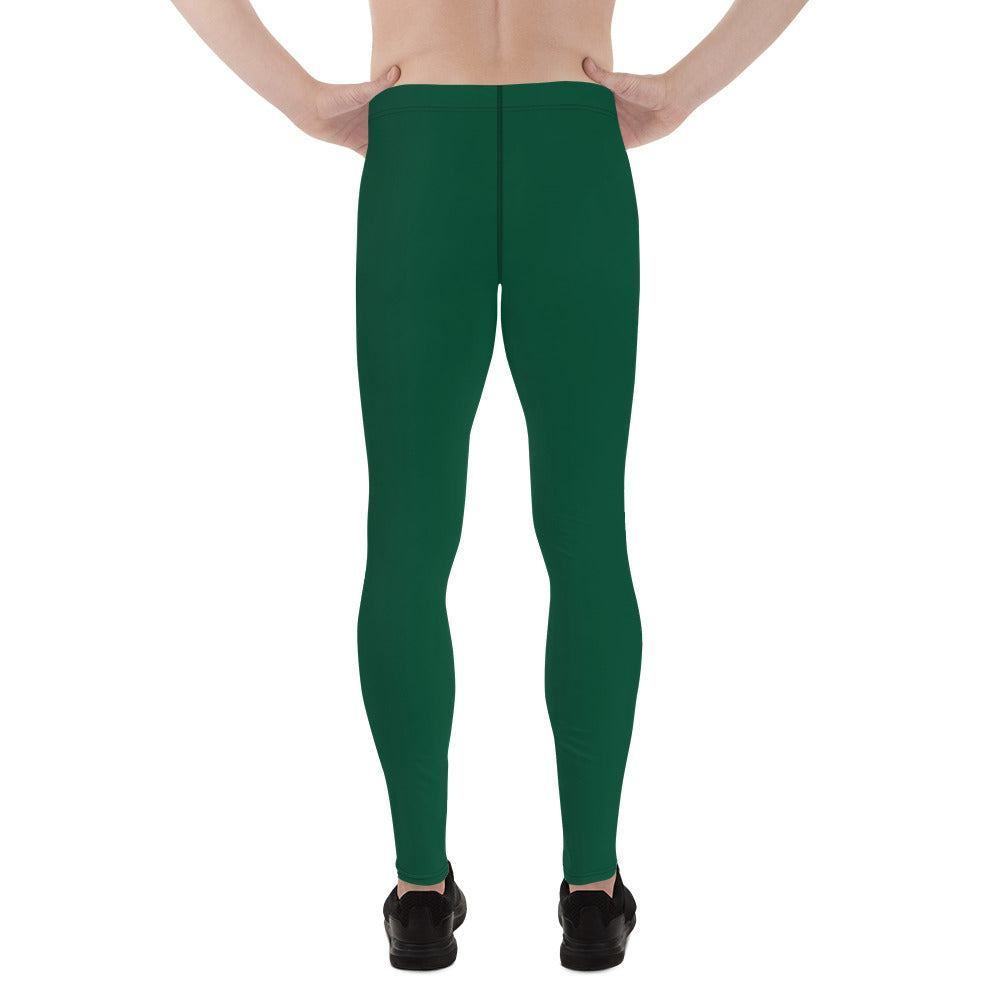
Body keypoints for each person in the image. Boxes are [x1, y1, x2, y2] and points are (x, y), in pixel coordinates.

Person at [169, 0, 808, 971]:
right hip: (575, 144)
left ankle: (420, 895)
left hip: (420, 143)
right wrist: (684, 90)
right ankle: (591, 894)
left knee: (408, 541)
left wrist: (299, 98)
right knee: (588, 535)